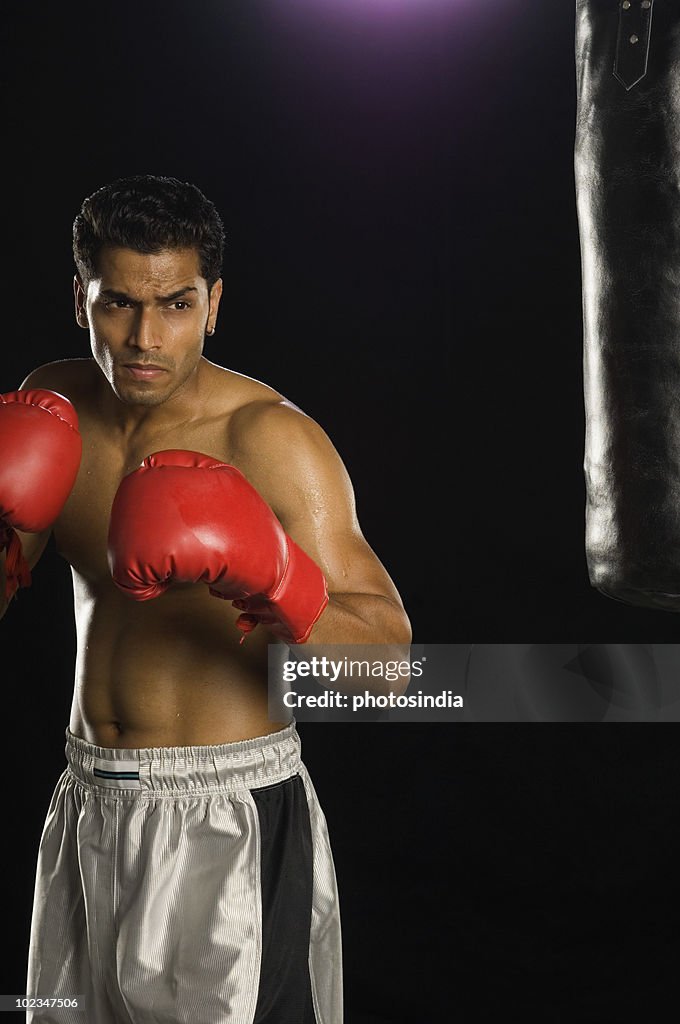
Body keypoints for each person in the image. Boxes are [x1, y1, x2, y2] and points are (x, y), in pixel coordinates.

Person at [0, 173, 412, 1024]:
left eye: (176, 305)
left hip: (228, 823)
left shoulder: (270, 439)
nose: (145, 337)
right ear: (79, 295)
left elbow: (392, 670)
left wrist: (276, 575)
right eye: (117, 303)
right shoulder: (55, 407)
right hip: (85, 807)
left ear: (214, 303)